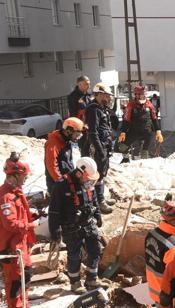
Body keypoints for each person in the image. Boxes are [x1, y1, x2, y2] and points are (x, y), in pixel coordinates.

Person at [48, 157, 106, 293]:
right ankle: (75, 282)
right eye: (88, 178)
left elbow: (94, 200)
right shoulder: (61, 185)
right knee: (75, 255)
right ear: (79, 173)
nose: (90, 182)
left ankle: (92, 278)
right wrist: (55, 231)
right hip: (71, 227)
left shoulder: (87, 184)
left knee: (95, 249)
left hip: (88, 223)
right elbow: (54, 211)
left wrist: (98, 214)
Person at [0, 153, 40, 308]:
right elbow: (10, 224)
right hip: (11, 246)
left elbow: (21, 214)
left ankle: (24, 306)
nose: (25, 179)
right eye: (24, 176)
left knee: (26, 274)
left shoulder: (16, 192)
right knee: (15, 280)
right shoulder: (6, 196)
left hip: (21, 243)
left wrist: (35, 216)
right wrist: (32, 225)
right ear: (15, 175)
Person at [83, 83, 115, 214]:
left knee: (103, 173)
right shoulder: (93, 109)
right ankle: (97, 202)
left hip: (104, 145)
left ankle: (100, 198)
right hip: (96, 147)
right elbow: (93, 132)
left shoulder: (102, 109)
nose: (108, 98)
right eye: (106, 95)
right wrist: (99, 149)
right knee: (96, 174)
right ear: (99, 94)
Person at [117, 85, 163, 162]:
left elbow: (154, 119)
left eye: (142, 94)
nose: (140, 96)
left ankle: (144, 166)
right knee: (122, 147)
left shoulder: (149, 105)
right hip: (134, 131)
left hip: (146, 132)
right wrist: (123, 132)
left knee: (144, 153)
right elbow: (126, 119)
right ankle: (126, 159)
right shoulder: (131, 105)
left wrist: (158, 131)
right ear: (135, 95)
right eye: (138, 94)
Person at [44, 117, 85, 193]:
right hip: (57, 182)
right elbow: (51, 165)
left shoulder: (66, 140)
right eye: (76, 135)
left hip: (66, 179)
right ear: (68, 131)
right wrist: (60, 181)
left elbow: (67, 161)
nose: (77, 138)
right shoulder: (53, 143)